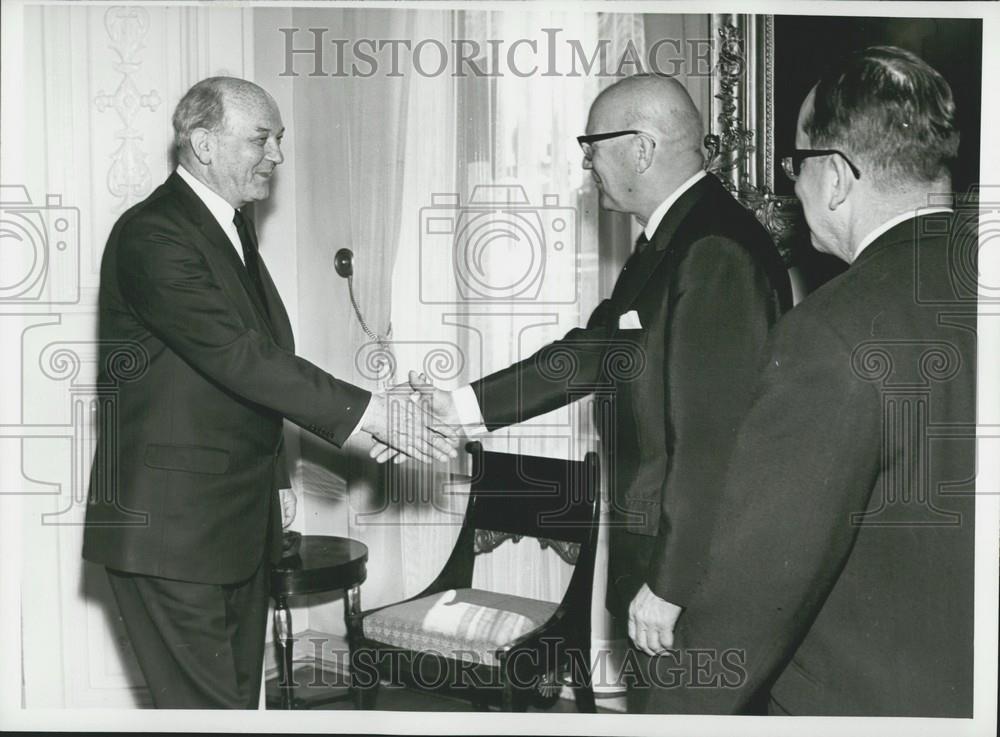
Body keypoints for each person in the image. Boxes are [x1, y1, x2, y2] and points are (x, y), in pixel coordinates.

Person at [406, 73, 791, 699]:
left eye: (592, 146)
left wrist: (670, 586)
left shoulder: (713, 249)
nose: (586, 163)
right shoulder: (671, 240)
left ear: (640, 147)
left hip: (689, 583)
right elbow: (592, 354)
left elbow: (710, 444)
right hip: (660, 566)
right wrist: (456, 408)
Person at [82, 76, 456, 709]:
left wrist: (278, 483)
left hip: (232, 523)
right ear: (202, 143)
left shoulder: (230, 229)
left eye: (279, 139)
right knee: (206, 712)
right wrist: (370, 415)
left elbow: (243, 381)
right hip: (169, 531)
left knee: (233, 706)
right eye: (261, 139)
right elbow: (239, 356)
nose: (278, 156)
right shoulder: (153, 234)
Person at [646, 46, 975, 716]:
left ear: (836, 179)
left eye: (796, 165)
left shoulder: (831, 334)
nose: (794, 187)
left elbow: (751, 599)